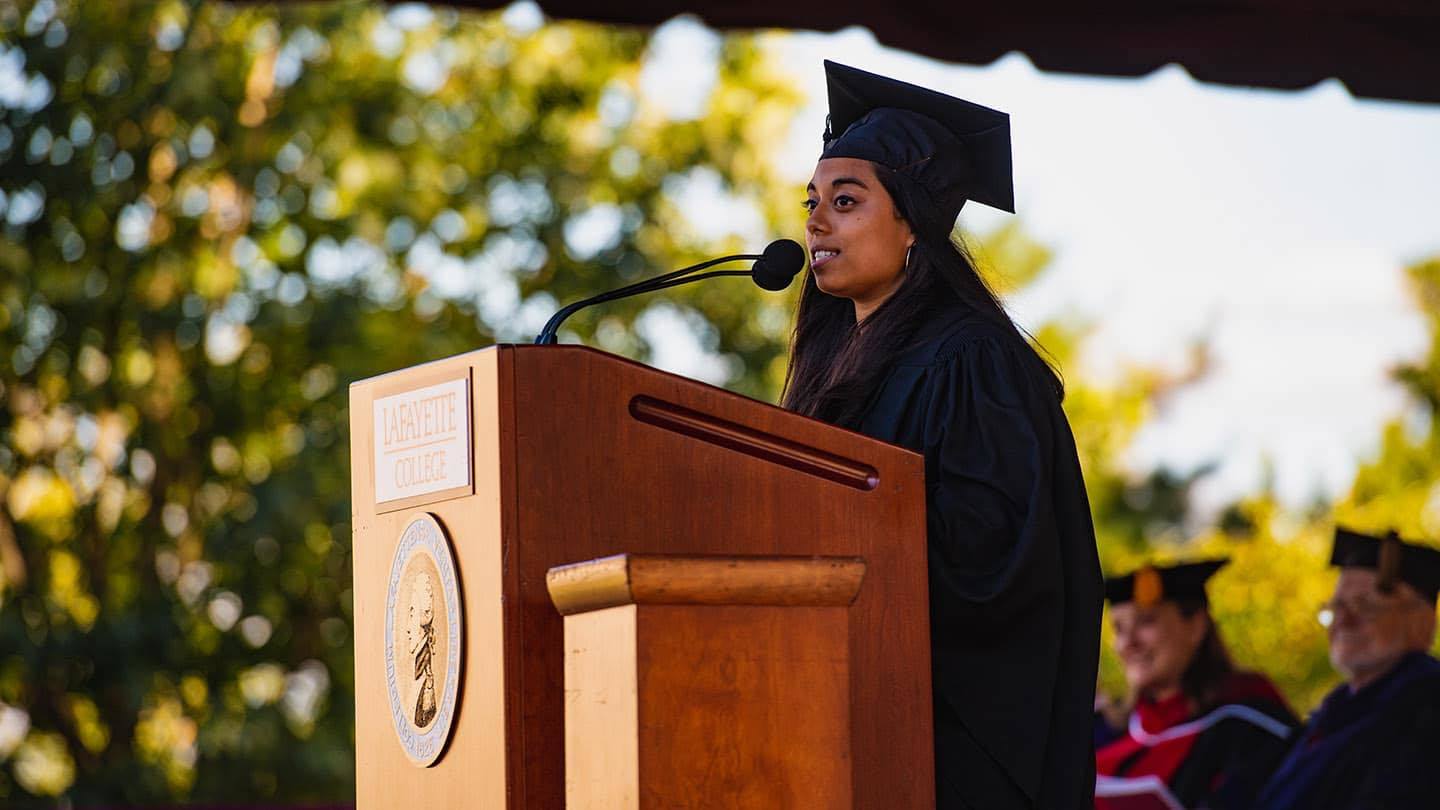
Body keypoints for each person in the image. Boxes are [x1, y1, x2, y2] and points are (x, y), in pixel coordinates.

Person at [782, 60, 1103, 809]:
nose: (815, 222)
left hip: (949, 748)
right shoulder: (836, 369)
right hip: (846, 722)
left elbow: (991, 564)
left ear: (913, 229)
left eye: (846, 201)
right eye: (813, 201)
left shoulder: (972, 360)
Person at [1253, 526, 1440, 809]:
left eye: (1366, 607)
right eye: (1336, 608)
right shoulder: (1334, 713)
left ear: (1422, 624)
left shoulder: (1425, 711)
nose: (1344, 622)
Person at [1094, 560, 1298, 809]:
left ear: (1196, 626)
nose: (1128, 643)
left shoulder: (1251, 727)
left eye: (1146, 621)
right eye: (1119, 629)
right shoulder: (1105, 730)